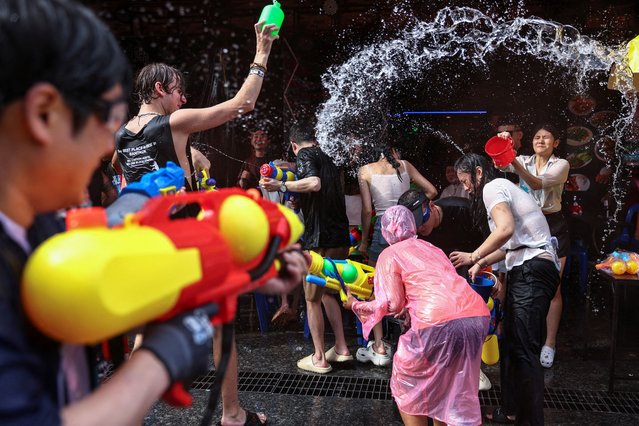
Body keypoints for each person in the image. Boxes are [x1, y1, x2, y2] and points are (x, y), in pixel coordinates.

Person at [0, 1, 211, 424]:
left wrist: (139, 196)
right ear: (44, 114)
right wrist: (158, 360)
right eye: (108, 119)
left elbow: (99, 240)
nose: (105, 147)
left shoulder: (36, 226)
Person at [116, 18, 282, 426]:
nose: (183, 97)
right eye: (178, 90)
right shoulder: (171, 122)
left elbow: (131, 186)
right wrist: (261, 52)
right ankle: (232, 415)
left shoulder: (121, 137)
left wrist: (191, 165)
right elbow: (240, 106)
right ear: (159, 90)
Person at [343, 205, 489, 426]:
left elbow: (392, 304)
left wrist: (355, 305)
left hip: (436, 322)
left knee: (407, 383)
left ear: (385, 232)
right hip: (476, 315)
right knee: (452, 386)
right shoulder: (432, 247)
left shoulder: (389, 254)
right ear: (412, 225)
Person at [450, 153, 560, 426]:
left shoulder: (491, 187)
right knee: (511, 344)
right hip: (526, 267)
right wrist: (482, 261)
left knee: (524, 350)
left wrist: (474, 256)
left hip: (534, 269)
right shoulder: (499, 189)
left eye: (465, 181)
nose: (465, 188)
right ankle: (509, 411)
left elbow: (506, 229)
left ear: (477, 172)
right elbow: (508, 244)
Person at [261, 121, 352, 374]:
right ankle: (342, 348)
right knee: (328, 293)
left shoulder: (304, 154)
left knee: (311, 300)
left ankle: (320, 357)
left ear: (293, 145)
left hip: (319, 240)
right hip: (340, 238)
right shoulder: (329, 157)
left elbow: (313, 183)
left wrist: (282, 186)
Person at [397, 189, 492, 391]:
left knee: (471, 315)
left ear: (431, 206)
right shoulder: (414, 233)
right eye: (414, 224)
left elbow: (494, 240)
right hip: (438, 277)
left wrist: (478, 260)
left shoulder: (463, 209)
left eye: (422, 220)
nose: (420, 228)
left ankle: (474, 367)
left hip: (473, 265)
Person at [496, 124, 570, 369]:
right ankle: (517, 338)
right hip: (526, 226)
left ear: (556, 142)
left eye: (547, 137)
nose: (541, 140)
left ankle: (549, 343)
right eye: (537, 137)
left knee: (553, 288)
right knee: (516, 281)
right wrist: (503, 142)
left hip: (552, 226)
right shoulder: (523, 159)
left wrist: (514, 162)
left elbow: (537, 184)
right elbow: (498, 162)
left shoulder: (561, 165)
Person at [356, 145, 437, 365]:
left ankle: (380, 346)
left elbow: (365, 210)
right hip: (407, 225)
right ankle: (413, 343)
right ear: (394, 151)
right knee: (410, 286)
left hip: (384, 228)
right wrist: (412, 214)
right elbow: (431, 192)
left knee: (376, 288)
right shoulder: (405, 165)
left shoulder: (364, 170)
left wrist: (364, 241)